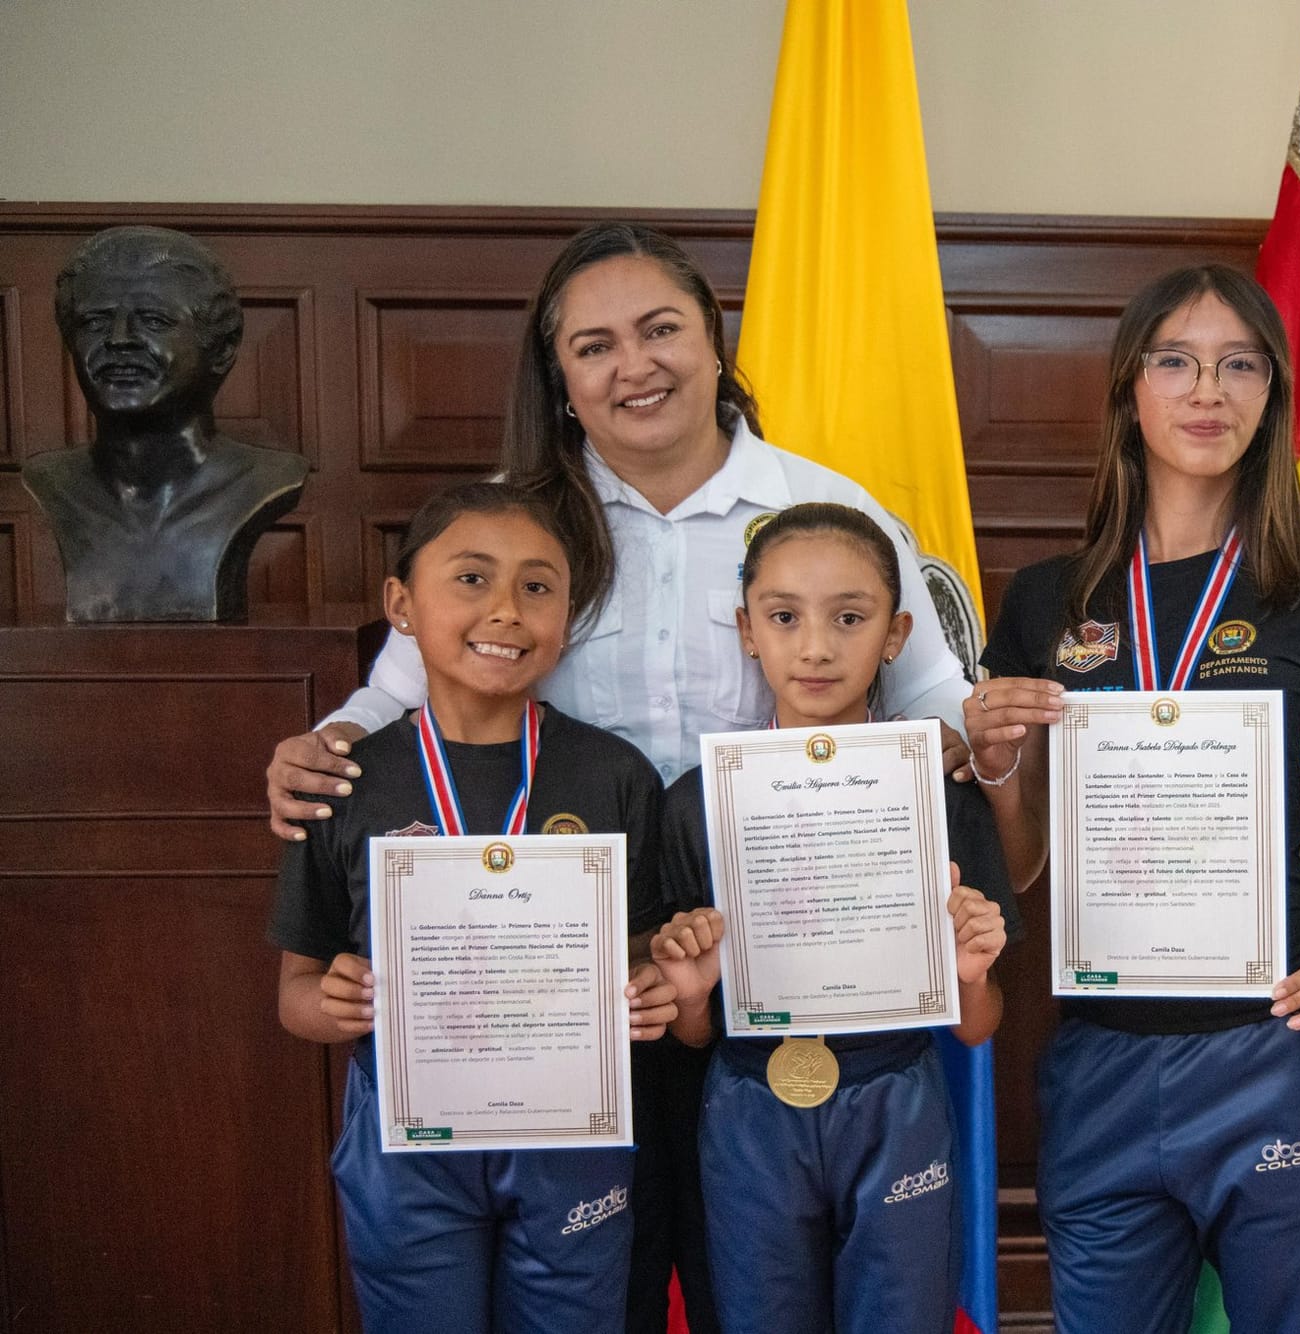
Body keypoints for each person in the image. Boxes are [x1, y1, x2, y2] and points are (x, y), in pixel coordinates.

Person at [258, 222, 974, 1334]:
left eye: (659, 330)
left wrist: (991, 755)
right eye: (592, 345)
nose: (631, 364)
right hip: (577, 980)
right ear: (559, 377)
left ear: (712, 339)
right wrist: (325, 742)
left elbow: (934, 712)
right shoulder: (519, 526)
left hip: (773, 965)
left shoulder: (831, 509)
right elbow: (398, 689)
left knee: (768, 1295)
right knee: (612, 1288)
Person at [967, 264, 1300, 1334]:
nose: (1204, 388)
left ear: (1270, 397)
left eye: (1237, 363)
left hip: (1274, 1044)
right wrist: (990, 761)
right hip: (1101, 1049)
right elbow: (1020, 866)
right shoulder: (1047, 599)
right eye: (1173, 359)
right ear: (1130, 390)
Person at [267, 481, 682, 1332]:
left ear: (569, 613)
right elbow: (296, 994)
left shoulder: (613, 774)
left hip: (575, 1137)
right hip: (408, 1143)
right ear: (402, 605)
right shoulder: (344, 783)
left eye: (538, 586)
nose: (506, 610)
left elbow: (649, 962)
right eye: (471, 579)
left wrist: (651, 992)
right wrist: (334, 1002)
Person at [648, 502, 1021, 1334]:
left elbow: (976, 1027)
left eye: (849, 618)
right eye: (785, 617)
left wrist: (967, 975)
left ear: (894, 635)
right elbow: (693, 1037)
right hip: (748, 1103)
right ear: (749, 630)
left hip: (897, 1095)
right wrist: (691, 994)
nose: (815, 647)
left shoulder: (939, 789)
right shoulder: (694, 802)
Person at [25, 225, 308, 621]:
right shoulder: (49, 481)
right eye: (94, 322)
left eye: (154, 321)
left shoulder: (270, 477)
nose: (119, 339)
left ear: (222, 350)